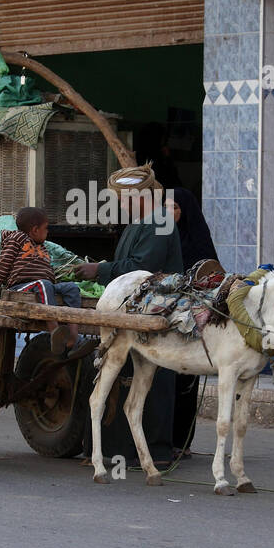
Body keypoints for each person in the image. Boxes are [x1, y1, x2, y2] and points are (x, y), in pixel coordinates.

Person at [75, 165, 182, 465]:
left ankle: (150, 453)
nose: (120, 204)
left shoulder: (160, 223)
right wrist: (104, 269)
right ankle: (114, 450)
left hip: (156, 311)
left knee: (150, 381)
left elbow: (141, 269)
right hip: (134, 308)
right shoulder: (139, 222)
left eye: (123, 198)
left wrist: (101, 270)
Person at [0, 206, 81, 355]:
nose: (48, 232)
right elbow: (3, 265)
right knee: (43, 284)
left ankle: (73, 336)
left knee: (72, 287)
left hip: (44, 286)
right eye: (45, 228)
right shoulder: (17, 239)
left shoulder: (42, 246)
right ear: (34, 230)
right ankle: (54, 330)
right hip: (20, 287)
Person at [167, 187, 220, 454]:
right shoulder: (160, 236)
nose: (169, 213)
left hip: (190, 321)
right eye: (165, 207)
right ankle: (161, 439)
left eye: (174, 208)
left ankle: (181, 443)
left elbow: (211, 279)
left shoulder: (198, 242)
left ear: (185, 211)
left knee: (185, 380)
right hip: (163, 318)